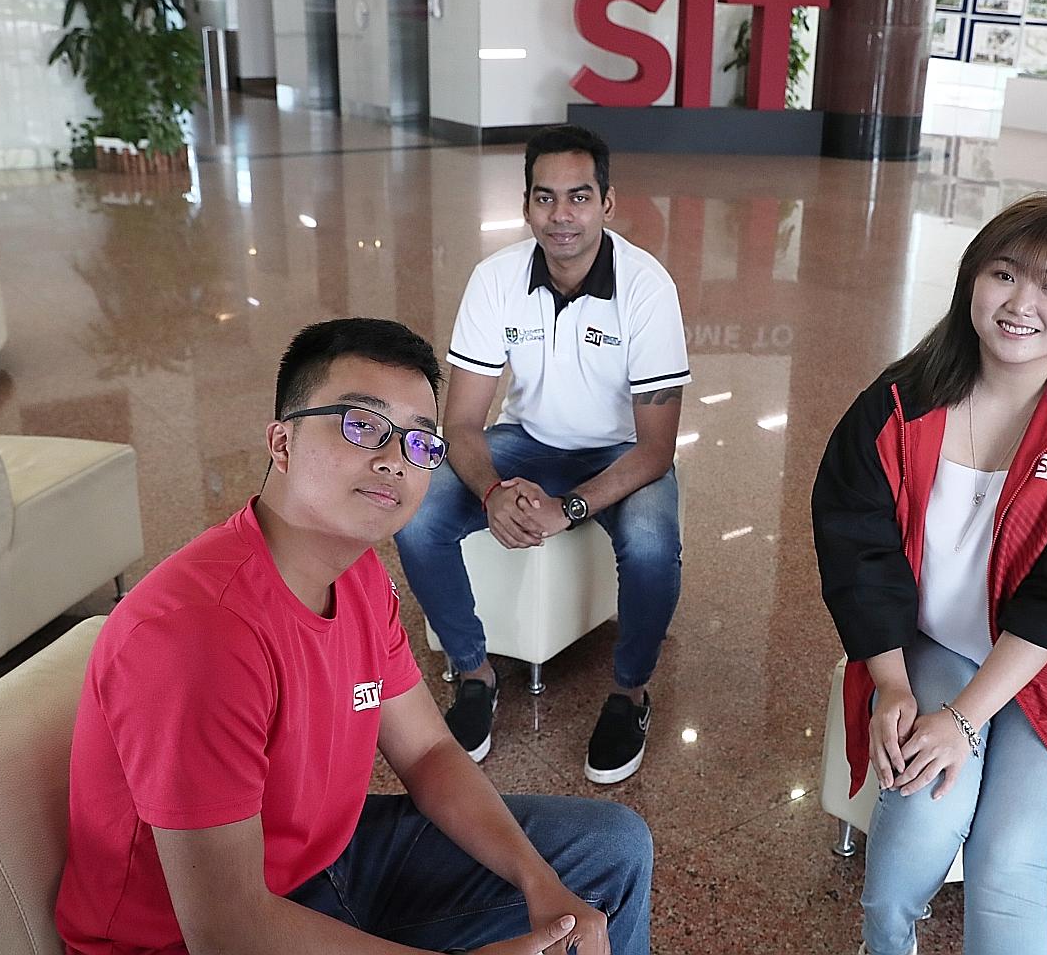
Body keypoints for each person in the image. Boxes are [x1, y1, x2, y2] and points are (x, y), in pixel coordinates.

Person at [54, 318, 652, 955]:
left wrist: (541, 882)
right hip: (189, 935)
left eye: (422, 443)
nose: (396, 459)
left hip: (323, 868)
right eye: (361, 424)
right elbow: (228, 930)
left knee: (612, 848)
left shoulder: (359, 574)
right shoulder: (193, 638)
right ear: (281, 445)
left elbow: (427, 753)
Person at [811, 194, 1047, 955]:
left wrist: (966, 720)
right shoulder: (898, 404)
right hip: (929, 650)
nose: (1021, 304)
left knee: (1006, 860)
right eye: (1004, 275)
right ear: (973, 279)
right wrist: (895, 688)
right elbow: (855, 550)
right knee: (918, 817)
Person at [394, 125, 689, 784]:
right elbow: (463, 422)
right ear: (525, 204)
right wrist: (495, 490)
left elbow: (657, 448)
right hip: (528, 440)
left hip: (621, 452)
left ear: (608, 203)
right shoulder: (495, 279)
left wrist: (570, 508)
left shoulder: (647, 289)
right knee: (416, 512)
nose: (562, 216)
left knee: (649, 543)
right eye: (545, 198)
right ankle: (473, 675)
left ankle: (631, 694)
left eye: (579, 197)